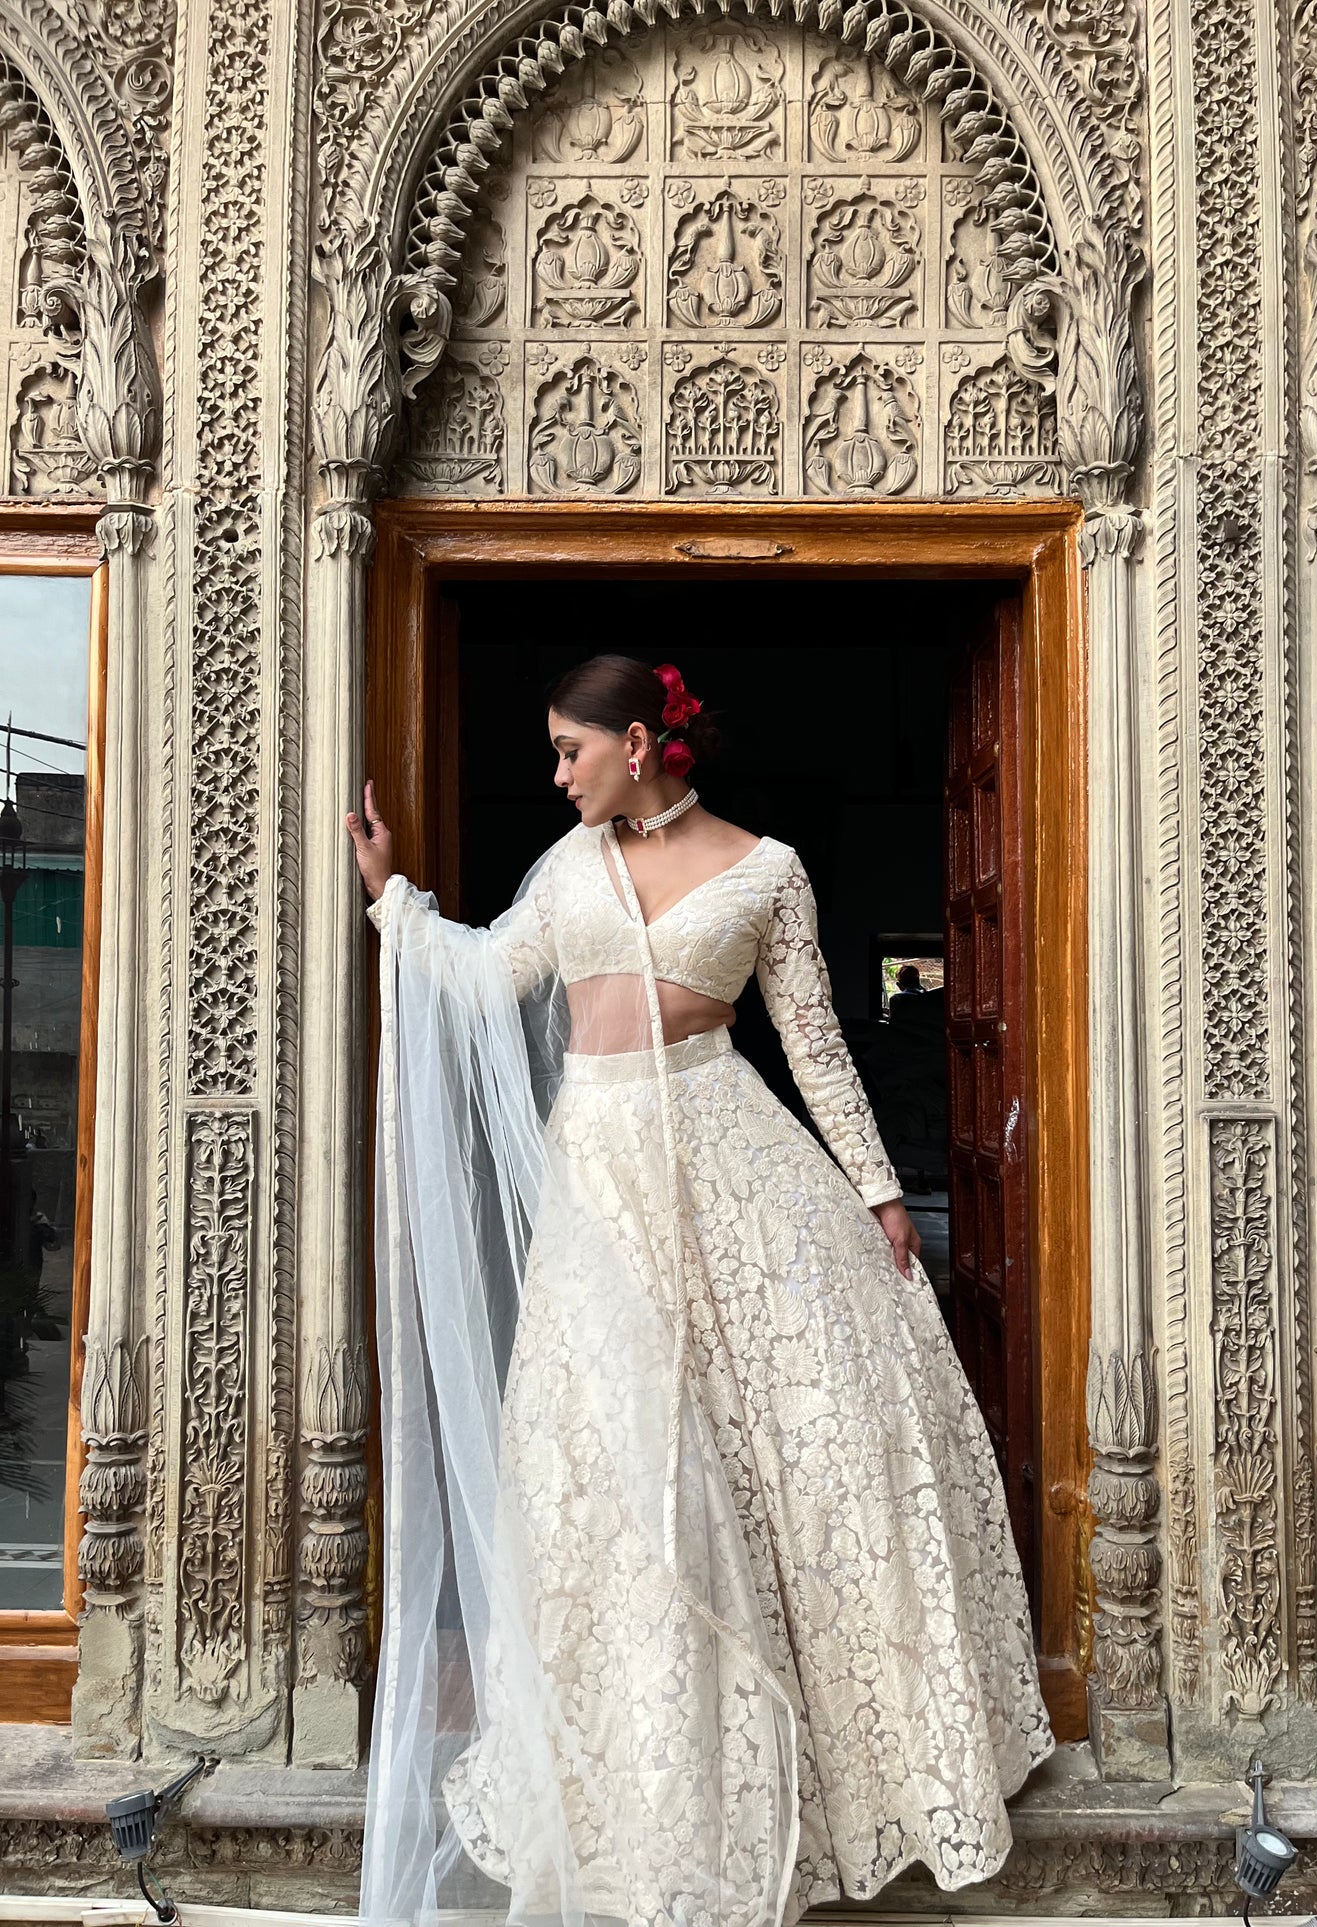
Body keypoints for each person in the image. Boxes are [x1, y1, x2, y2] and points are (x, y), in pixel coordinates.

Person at [345, 654, 1051, 1927]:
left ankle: (842, 1764)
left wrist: (882, 1193)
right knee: (611, 1469)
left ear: (637, 740)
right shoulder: (565, 872)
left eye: (569, 750)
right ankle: (644, 1780)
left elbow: (818, 1044)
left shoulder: (768, 870)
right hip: (598, 1181)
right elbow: (490, 978)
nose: (556, 774)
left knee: (781, 1451)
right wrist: (394, 900)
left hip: (734, 1162)